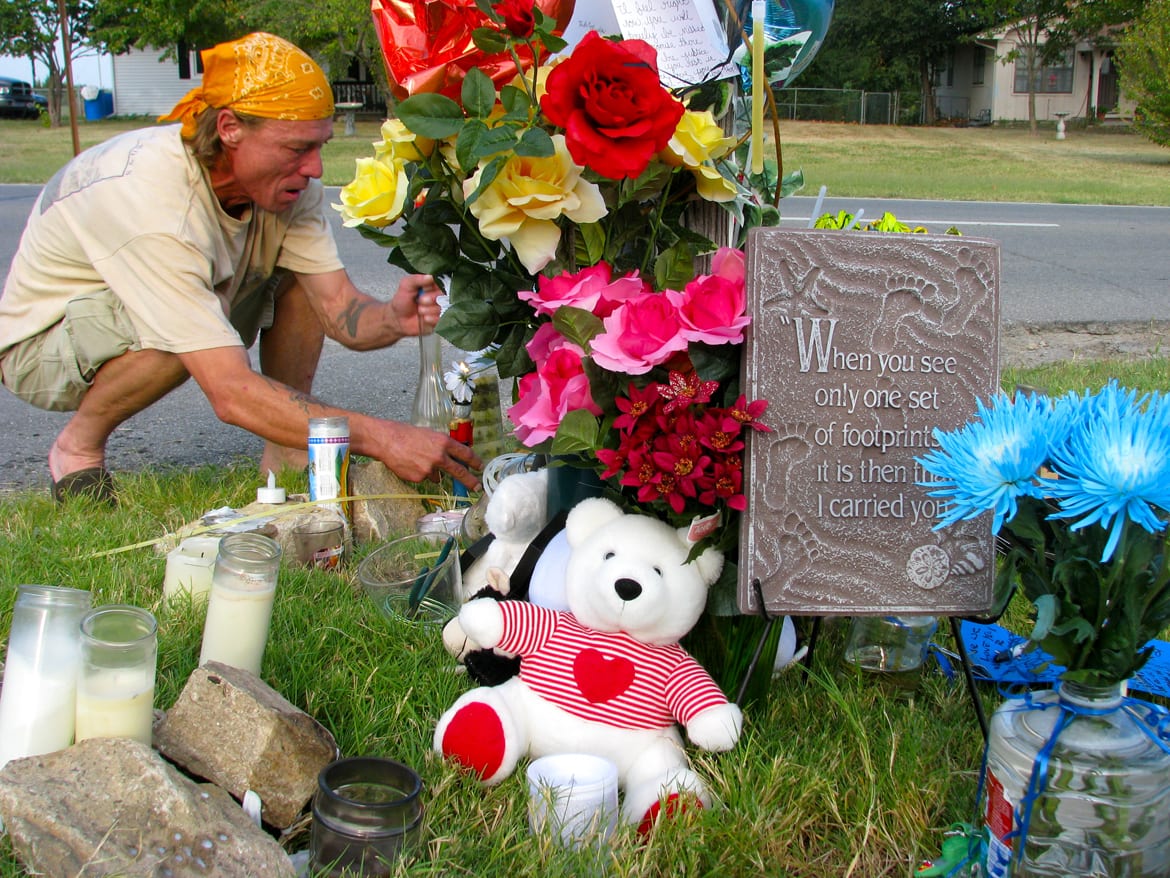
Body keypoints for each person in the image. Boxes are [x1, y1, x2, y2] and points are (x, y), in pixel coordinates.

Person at [0, 32, 481, 504]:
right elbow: (229, 391)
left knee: (275, 284)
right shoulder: (155, 200)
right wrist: (382, 438)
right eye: (297, 148)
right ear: (229, 128)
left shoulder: (286, 187)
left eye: (319, 146)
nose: (315, 168)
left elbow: (335, 306)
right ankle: (77, 449)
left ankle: (289, 450)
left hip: (179, 301)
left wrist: (389, 319)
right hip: (43, 344)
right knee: (181, 330)